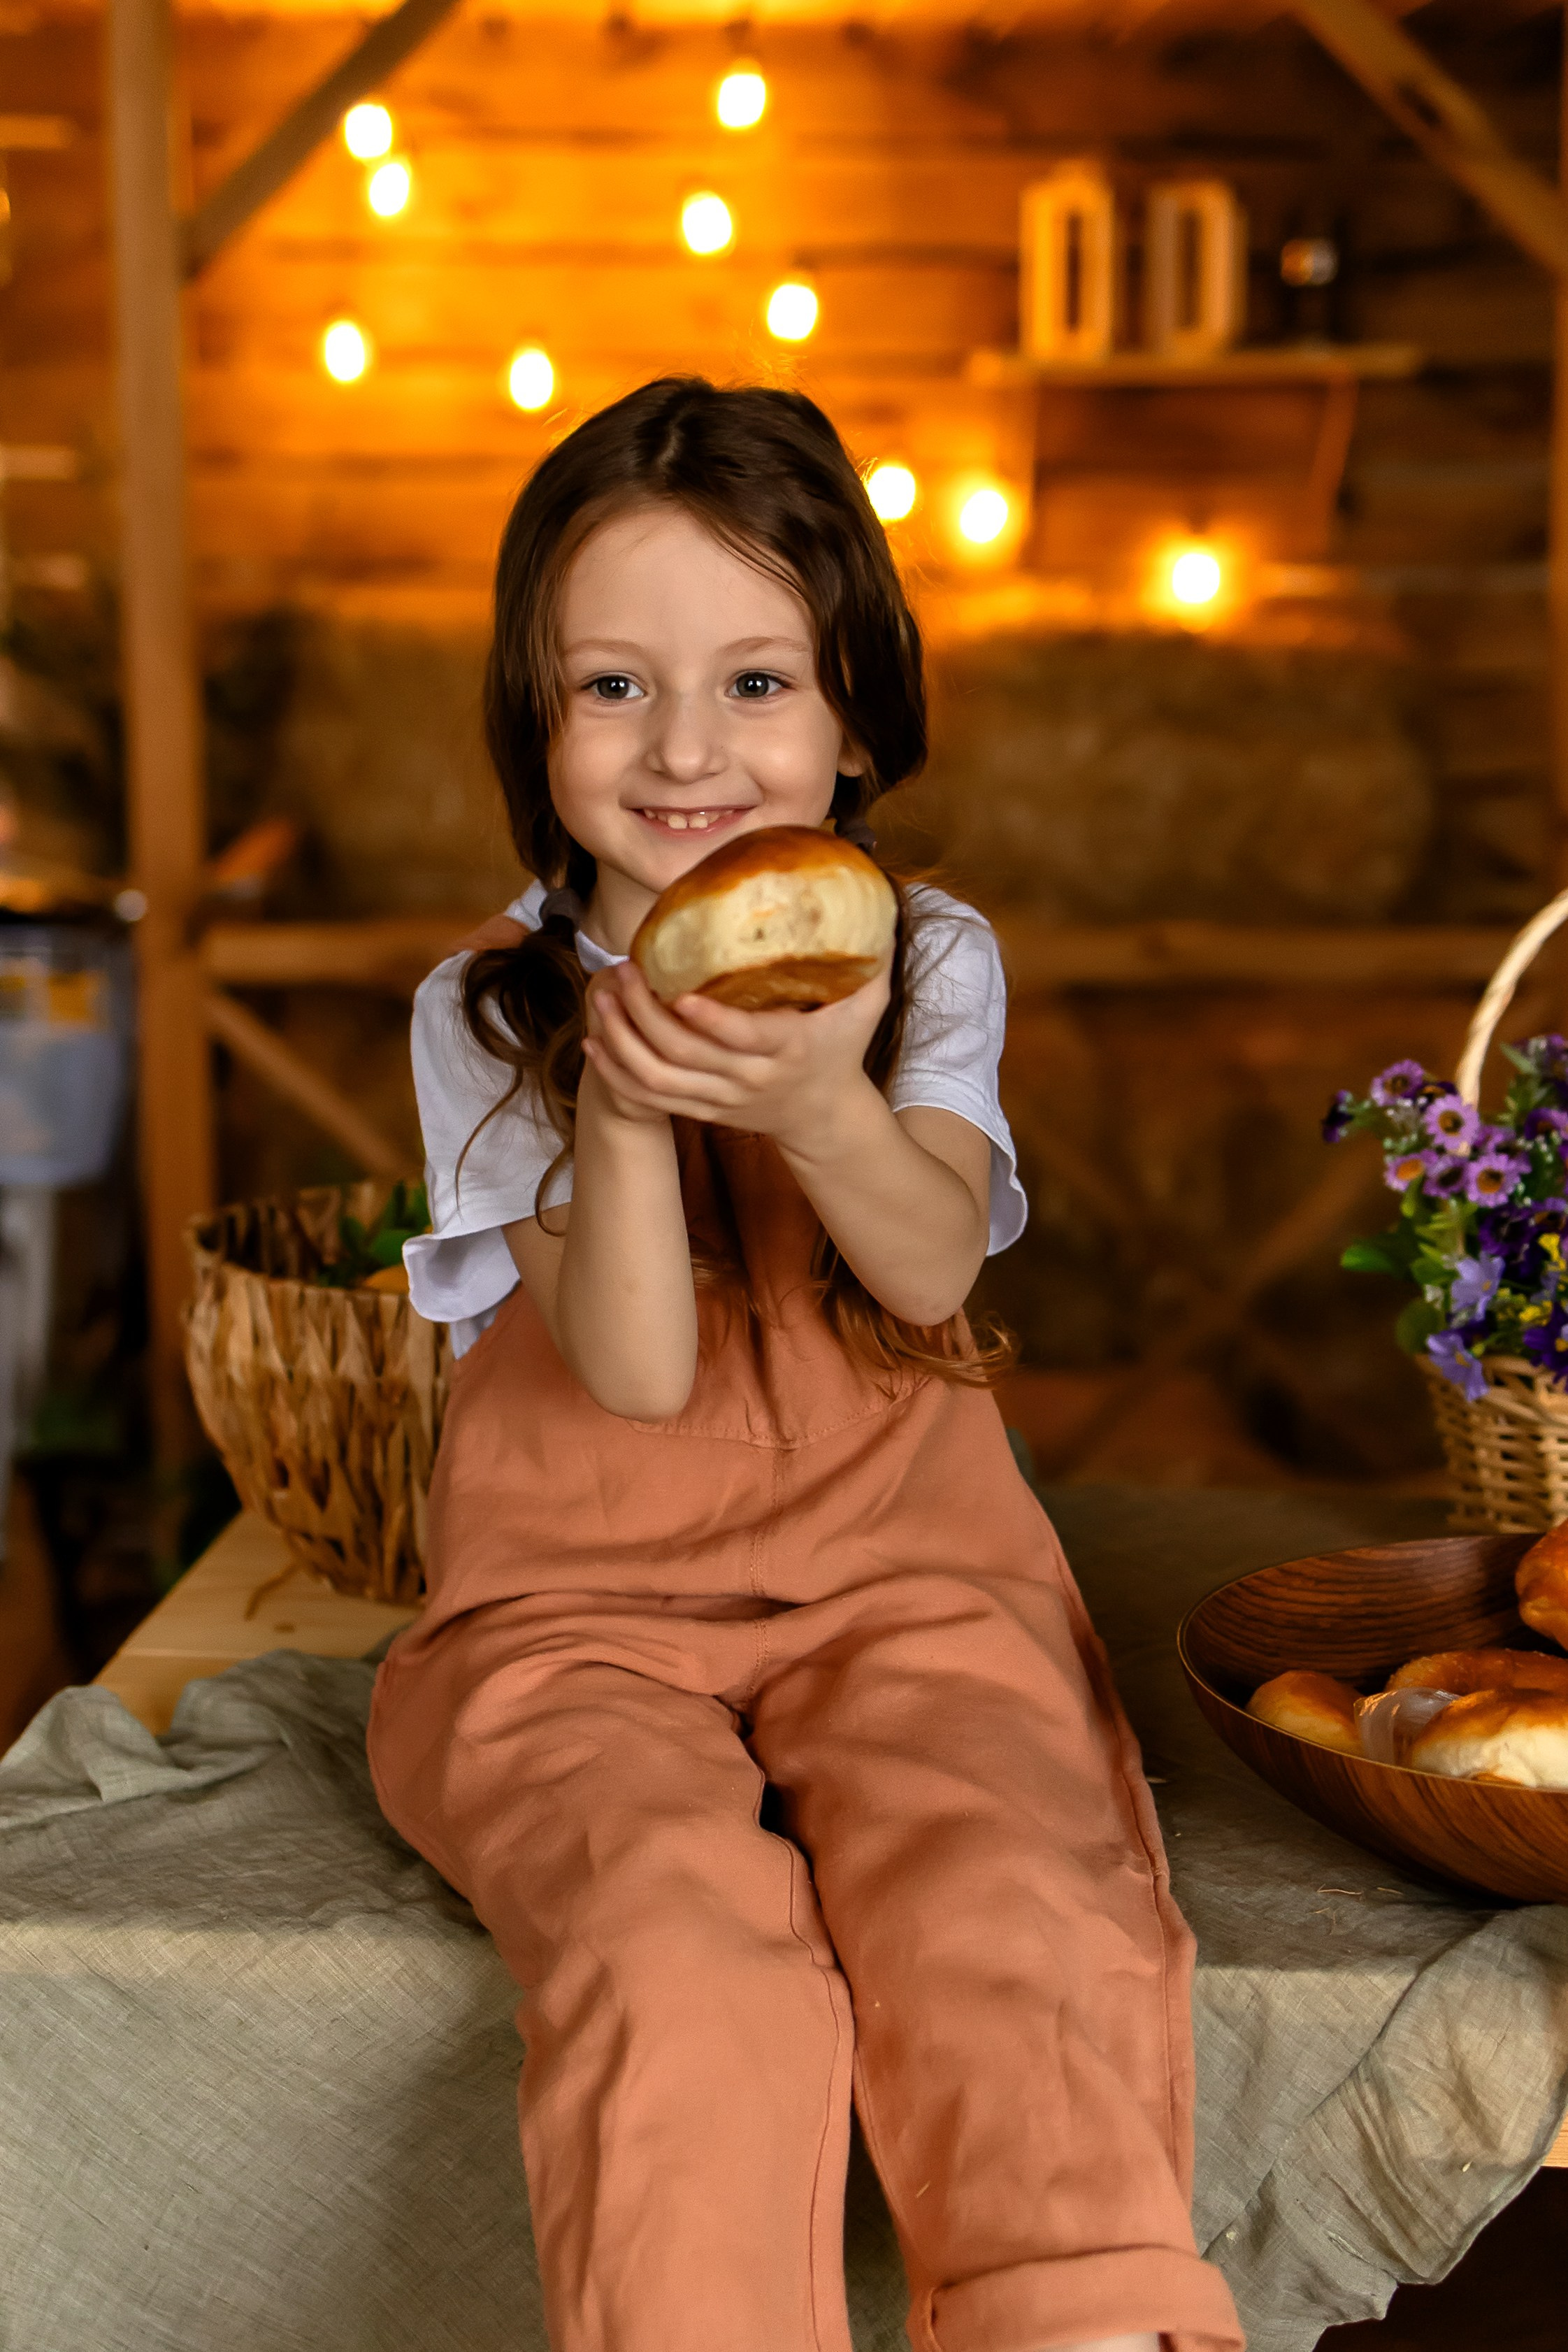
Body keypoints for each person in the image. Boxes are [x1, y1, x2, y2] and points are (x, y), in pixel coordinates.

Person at [368, 377, 1243, 2352]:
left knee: (995, 1893)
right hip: (574, 1613)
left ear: (856, 716)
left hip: (902, 1576)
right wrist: (616, 1100)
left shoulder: (924, 956)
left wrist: (818, 1099)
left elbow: (926, 1256)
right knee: (675, 1947)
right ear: (534, 721)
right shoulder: (486, 1009)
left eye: (756, 681)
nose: (684, 749)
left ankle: (1075, 2316)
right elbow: (641, 1378)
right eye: (611, 686)